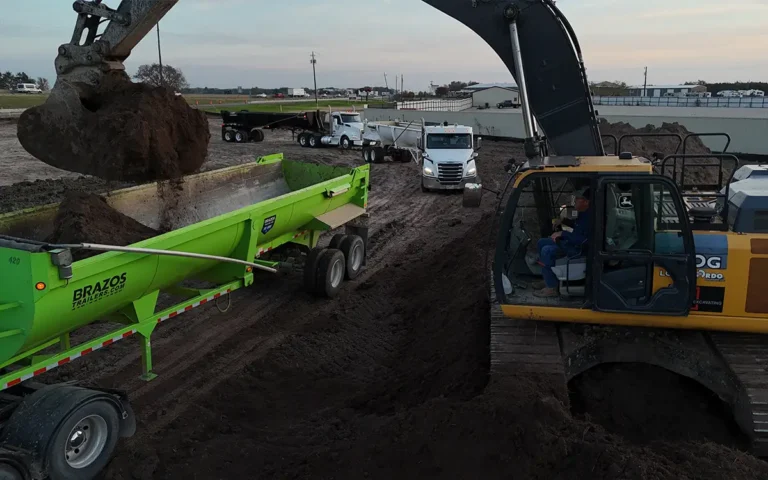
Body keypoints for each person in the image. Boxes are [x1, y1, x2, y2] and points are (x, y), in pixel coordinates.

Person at [532, 187, 592, 298]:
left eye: (577, 199)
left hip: (578, 249)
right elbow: (574, 228)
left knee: (547, 250)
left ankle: (552, 288)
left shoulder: (591, 218)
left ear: (586, 202)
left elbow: (583, 240)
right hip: (571, 243)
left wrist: (562, 234)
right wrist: (561, 223)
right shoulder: (582, 213)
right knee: (541, 242)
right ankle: (548, 279)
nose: (574, 201)